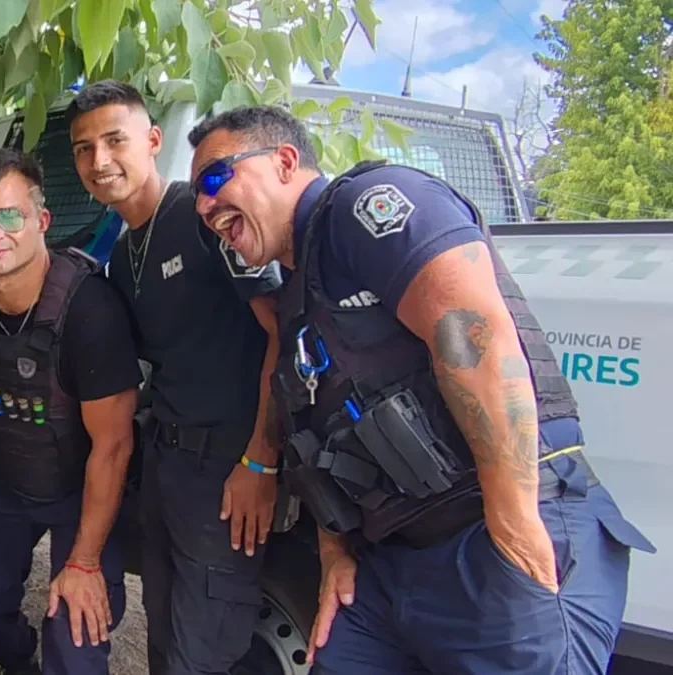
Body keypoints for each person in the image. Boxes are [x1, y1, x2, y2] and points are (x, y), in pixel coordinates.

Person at [186, 104, 657, 674]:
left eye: (215, 177)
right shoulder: (296, 297)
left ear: (286, 161)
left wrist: (513, 522)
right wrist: (337, 554)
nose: (206, 205)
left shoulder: (366, 207)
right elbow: (319, 442)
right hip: (389, 566)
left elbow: (473, 337)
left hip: (487, 537)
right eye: (197, 195)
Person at [65, 81, 284, 675]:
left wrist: (261, 462)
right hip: (168, 465)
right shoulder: (119, 252)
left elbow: (281, 333)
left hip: (229, 472)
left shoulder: (206, 216)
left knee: (204, 650)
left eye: (115, 140)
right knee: (162, 637)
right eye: (84, 149)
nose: (99, 161)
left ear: (152, 141)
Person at [0, 148, 141, 675]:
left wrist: (84, 562)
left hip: (84, 489)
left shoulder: (91, 309)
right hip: (7, 486)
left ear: (42, 221)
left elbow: (113, 446)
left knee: (76, 635)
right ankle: (22, 662)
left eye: (10, 216)